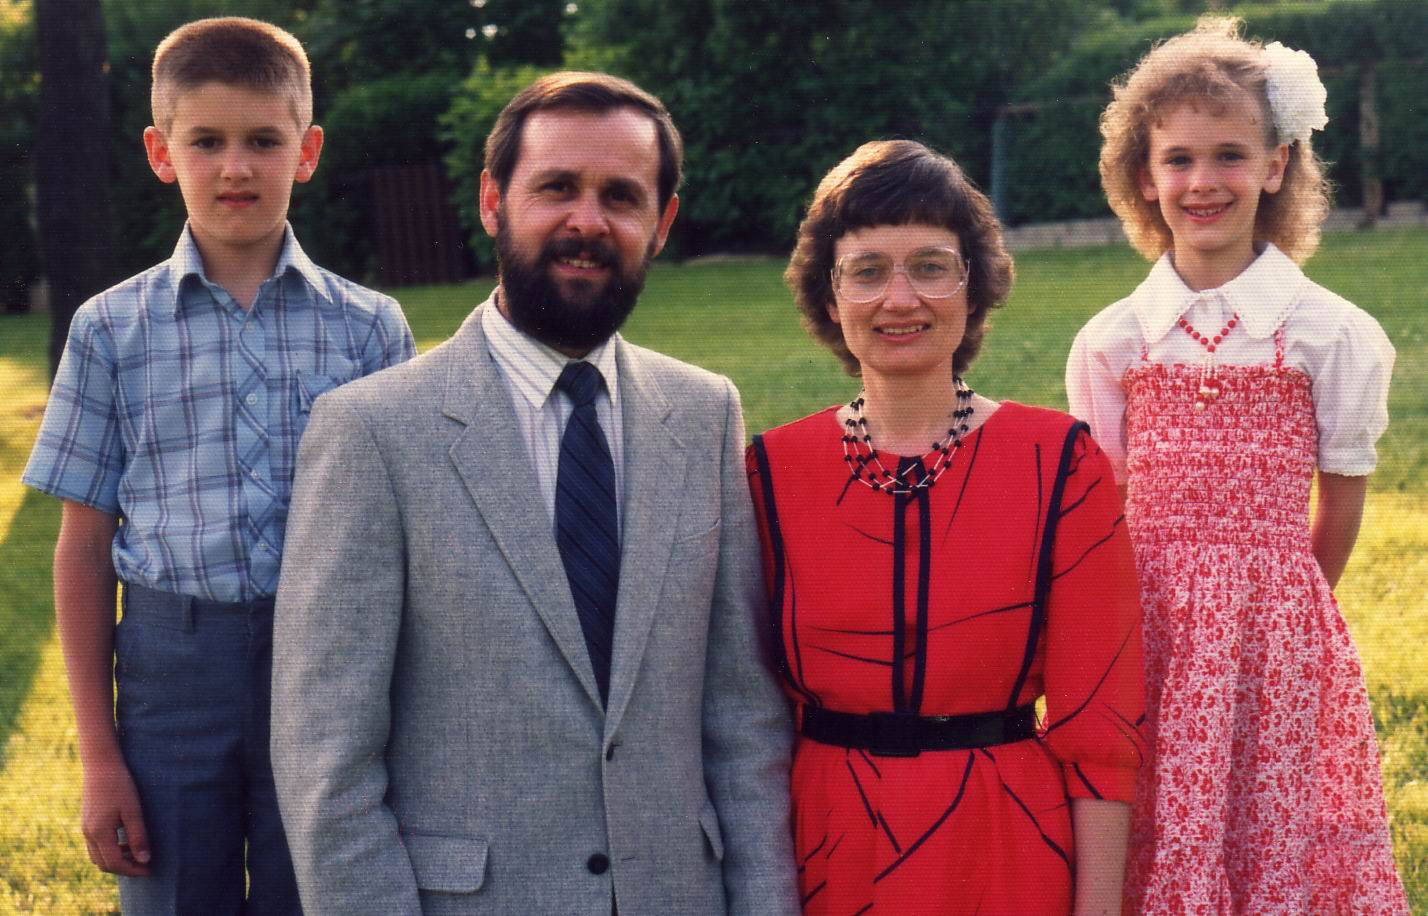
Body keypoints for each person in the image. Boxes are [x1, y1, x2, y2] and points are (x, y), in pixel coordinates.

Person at [269, 71, 799, 915]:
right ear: (492, 200)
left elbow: (744, 724)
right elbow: (324, 758)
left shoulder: (704, 415)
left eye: (621, 196)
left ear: (659, 224)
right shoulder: (372, 432)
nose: (587, 221)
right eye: (556, 187)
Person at [20, 16, 415, 915]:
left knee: (315, 894)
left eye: (263, 141)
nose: (236, 167)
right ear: (163, 153)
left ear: (306, 151)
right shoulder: (109, 330)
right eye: (207, 142)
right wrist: (101, 757)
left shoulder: (370, 329)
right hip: (169, 676)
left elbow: (402, 540)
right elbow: (83, 547)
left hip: (324, 672)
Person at [1067, 16, 1409, 913]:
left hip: (1275, 633)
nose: (1203, 181)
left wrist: (1278, 610)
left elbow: (1338, 501)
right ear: (1144, 176)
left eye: (1229, 154)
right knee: (1162, 820)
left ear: (1276, 164)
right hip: (1149, 626)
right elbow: (1102, 506)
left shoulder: (1328, 333)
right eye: (1178, 159)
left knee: (1270, 828)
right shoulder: (1116, 340)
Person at [749, 139, 1145, 915]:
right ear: (830, 298)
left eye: (931, 265)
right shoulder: (769, 471)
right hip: (825, 850)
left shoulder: (1058, 461)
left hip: (1006, 843)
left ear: (974, 287)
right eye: (867, 271)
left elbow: (1101, 725)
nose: (901, 298)